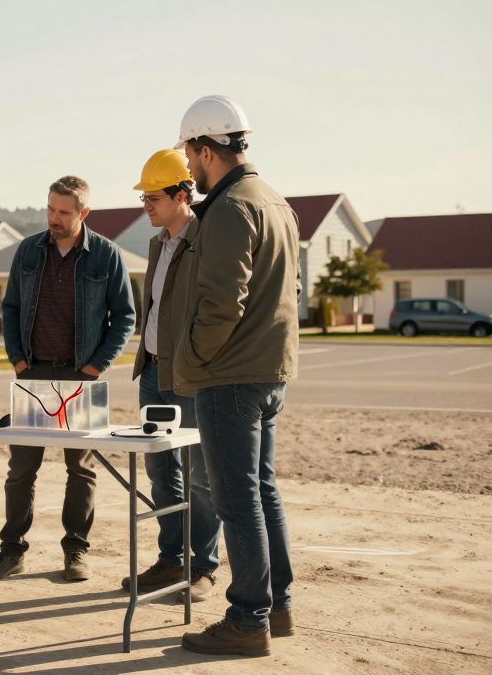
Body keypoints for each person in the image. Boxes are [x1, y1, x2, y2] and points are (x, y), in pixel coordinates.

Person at [170, 96, 301, 657]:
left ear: (206, 149)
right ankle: (279, 604)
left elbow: (222, 301)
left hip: (230, 376)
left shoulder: (227, 209)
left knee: (236, 497)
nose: (189, 170)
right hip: (270, 371)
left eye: (190, 157)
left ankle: (249, 619)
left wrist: (194, 359)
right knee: (261, 490)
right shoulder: (276, 202)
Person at [0, 175, 135, 583]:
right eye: (50, 208)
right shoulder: (28, 250)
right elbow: (10, 308)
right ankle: (11, 551)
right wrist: (19, 362)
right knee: (21, 470)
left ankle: (75, 552)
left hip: (82, 374)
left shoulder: (106, 255)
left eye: (64, 211)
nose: (54, 217)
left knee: (80, 470)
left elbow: (125, 318)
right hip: (33, 371)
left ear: (83, 212)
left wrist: (95, 367)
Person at [123, 149, 222, 602]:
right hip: (154, 374)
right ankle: (171, 560)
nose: (147, 205)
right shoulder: (157, 242)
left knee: (201, 477)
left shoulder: (208, 239)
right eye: (143, 197)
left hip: (194, 378)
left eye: (154, 197)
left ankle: (203, 568)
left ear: (183, 195)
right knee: (161, 470)